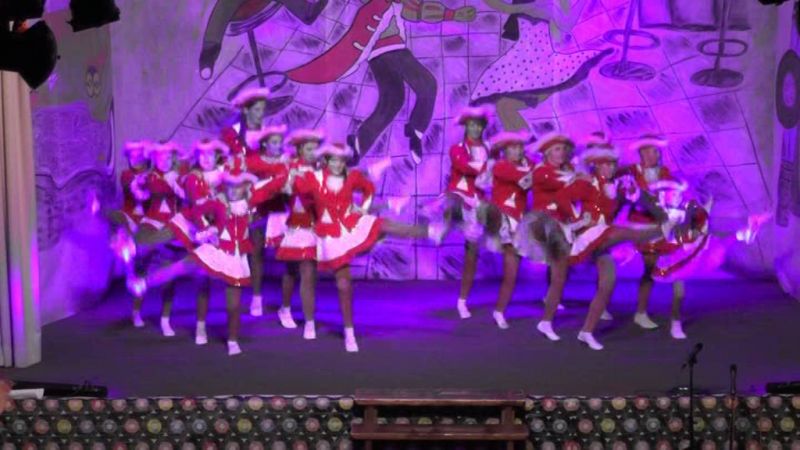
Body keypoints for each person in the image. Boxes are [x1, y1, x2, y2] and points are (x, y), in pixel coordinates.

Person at [128, 158, 288, 355]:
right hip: (214, 250)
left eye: (237, 186)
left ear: (246, 187)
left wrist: (257, 164)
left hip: (235, 258)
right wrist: (206, 229)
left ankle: (232, 341)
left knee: (234, 305)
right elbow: (194, 210)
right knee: (182, 266)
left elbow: (278, 180)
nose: (232, 191)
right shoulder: (216, 202)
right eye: (229, 185)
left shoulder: (251, 201)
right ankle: (144, 282)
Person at [285, 0, 476, 165]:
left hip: (382, 53)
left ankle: (360, 145)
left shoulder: (395, 6)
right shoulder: (375, 7)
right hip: (387, 50)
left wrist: (452, 15)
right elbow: (416, 11)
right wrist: (452, 15)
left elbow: (418, 11)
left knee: (393, 100)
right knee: (426, 85)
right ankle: (413, 131)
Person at [293, 143, 434, 351]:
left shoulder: (351, 177)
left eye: (342, 161)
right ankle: (309, 322)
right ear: (326, 161)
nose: (338, 164)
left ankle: (349, 333)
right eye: (334, 160)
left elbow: (369, 189)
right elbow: (299, 192)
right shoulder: (314, 178)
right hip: (325, 234)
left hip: (349, 226)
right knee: (319, 279)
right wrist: (293, 176)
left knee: (346, 282)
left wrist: (364, 208)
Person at [474, 0, 611, 132]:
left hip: (540, 69)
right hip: (520, 65)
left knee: (505, 107)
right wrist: (523, 8)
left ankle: (525, 144)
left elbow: (566, 24)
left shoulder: (550, 6)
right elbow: (501, 5)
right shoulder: (529, 6)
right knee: (503, 107)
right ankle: (523, 144)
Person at [275, 129, 325, 339]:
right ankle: (285, 308)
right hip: (295, 227)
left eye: (316, 149)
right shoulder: (292, 168)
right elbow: (284, 193)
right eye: (309, 149)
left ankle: (309, 321)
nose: (313, 153)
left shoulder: (322, 169)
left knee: (308, 274)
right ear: (300, 150)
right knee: (291, 271)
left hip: (314, 229)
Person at [445, 106, 492, 320]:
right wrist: (487, 168)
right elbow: (464, 167)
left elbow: (493, 175)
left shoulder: (489, 148)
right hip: (460, 196)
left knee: (472, 253)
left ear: (483, 127)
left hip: (478, 201)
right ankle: (441, 226)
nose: (475, 129)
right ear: (465, 126)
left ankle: (462, 301)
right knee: (450, 206)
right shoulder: (456, 148)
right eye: (471, 125)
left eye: (478, 125)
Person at [484, 131, 533, 329]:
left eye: (520, 147)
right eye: (513, 147)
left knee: (512, 273)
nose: (518, 151)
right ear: (504, 150)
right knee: (511, 266)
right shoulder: (501, 166)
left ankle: (499, 310)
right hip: (503, 219)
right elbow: (526, 181)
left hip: (519, 221)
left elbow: (533, 178)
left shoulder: (527, 165)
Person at [244, 124, 292, 319]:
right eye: (274, 142)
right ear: (264, 143)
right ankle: (256, 298)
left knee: (289, 255)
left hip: (280, 210)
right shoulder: (253, 161)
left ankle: (286, 304)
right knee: (256, 254)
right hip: (259, 210)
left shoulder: (287, 161)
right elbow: (245, 186)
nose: (278, 145)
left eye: (280, 142)